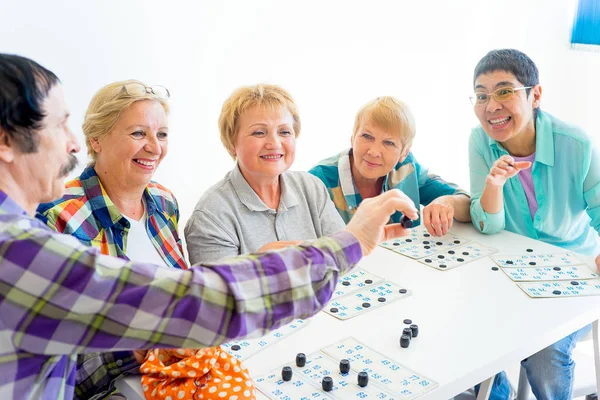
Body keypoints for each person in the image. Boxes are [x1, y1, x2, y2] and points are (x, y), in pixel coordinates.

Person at [0, 53, 418, 399]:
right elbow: (190, 302)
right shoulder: (25, 243)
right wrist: (347, 242)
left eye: (161, 133)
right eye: (58, 125)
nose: (70, 142)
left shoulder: (163, 202)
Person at [37, 80, 246, 400]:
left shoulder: (163, 202)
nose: (154, 147)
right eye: (138, 133)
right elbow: (48, 370)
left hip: (178, 376)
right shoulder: (56, 217)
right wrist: (138, 349)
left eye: (161, 134)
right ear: (96, 138)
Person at [469, 48, 600, 400]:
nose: (491, 106)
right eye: (481, 96)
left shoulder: (577, 142)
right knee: (463, 325)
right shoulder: (480, 142)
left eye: (504, 91)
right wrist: (493, 186)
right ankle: (499, 396)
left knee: (544, 353)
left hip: (573, 275)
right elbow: (489, 224)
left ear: (535, 95)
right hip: (509, 271)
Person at [184, 83, 345, 264]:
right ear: (232, 143)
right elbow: (217, 291)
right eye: (259, 132)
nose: (274, 143)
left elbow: (342, 257)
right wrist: (256, 266)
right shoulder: (210, 216)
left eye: (284, 132)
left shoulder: (311, 187)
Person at [310, 96, 471, 237]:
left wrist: (448, 202)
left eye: (389, 143)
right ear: (353, 138)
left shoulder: (407, 167)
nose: (374, 152)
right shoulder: (317, 181)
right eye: (367, 136)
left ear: (404, 152)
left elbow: (469, 204)